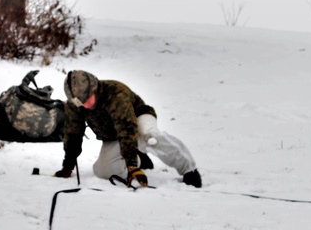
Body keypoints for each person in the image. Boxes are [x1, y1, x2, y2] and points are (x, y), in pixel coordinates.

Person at [53, 70, 202, 188]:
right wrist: (68, 166)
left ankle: (188, 169)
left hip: (137, 120)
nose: (85, 105)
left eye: (87, 100)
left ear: (94, 88)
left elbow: (127, 127)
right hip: (113, 136)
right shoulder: (76, 106)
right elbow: (73, 133)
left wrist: (131, 167)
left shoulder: (116, 93)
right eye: (80, 103)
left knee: (149, 136)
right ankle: (140, 158)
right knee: (102, 171)